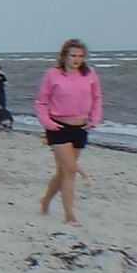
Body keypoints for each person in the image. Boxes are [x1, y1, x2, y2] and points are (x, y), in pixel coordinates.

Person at [36, 38, 102, 224]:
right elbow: (41, 102)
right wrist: (47, 123)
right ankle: (69, 216)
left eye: (80, 56)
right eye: (73, 55)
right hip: (58, 127)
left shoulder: (89, 74)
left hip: (80, 127)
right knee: (71, 170)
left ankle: (45, 200)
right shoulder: (52, 74)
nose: (77, 59)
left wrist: (95, 119)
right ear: (64, 56)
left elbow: (97, 98)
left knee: (63, 172)